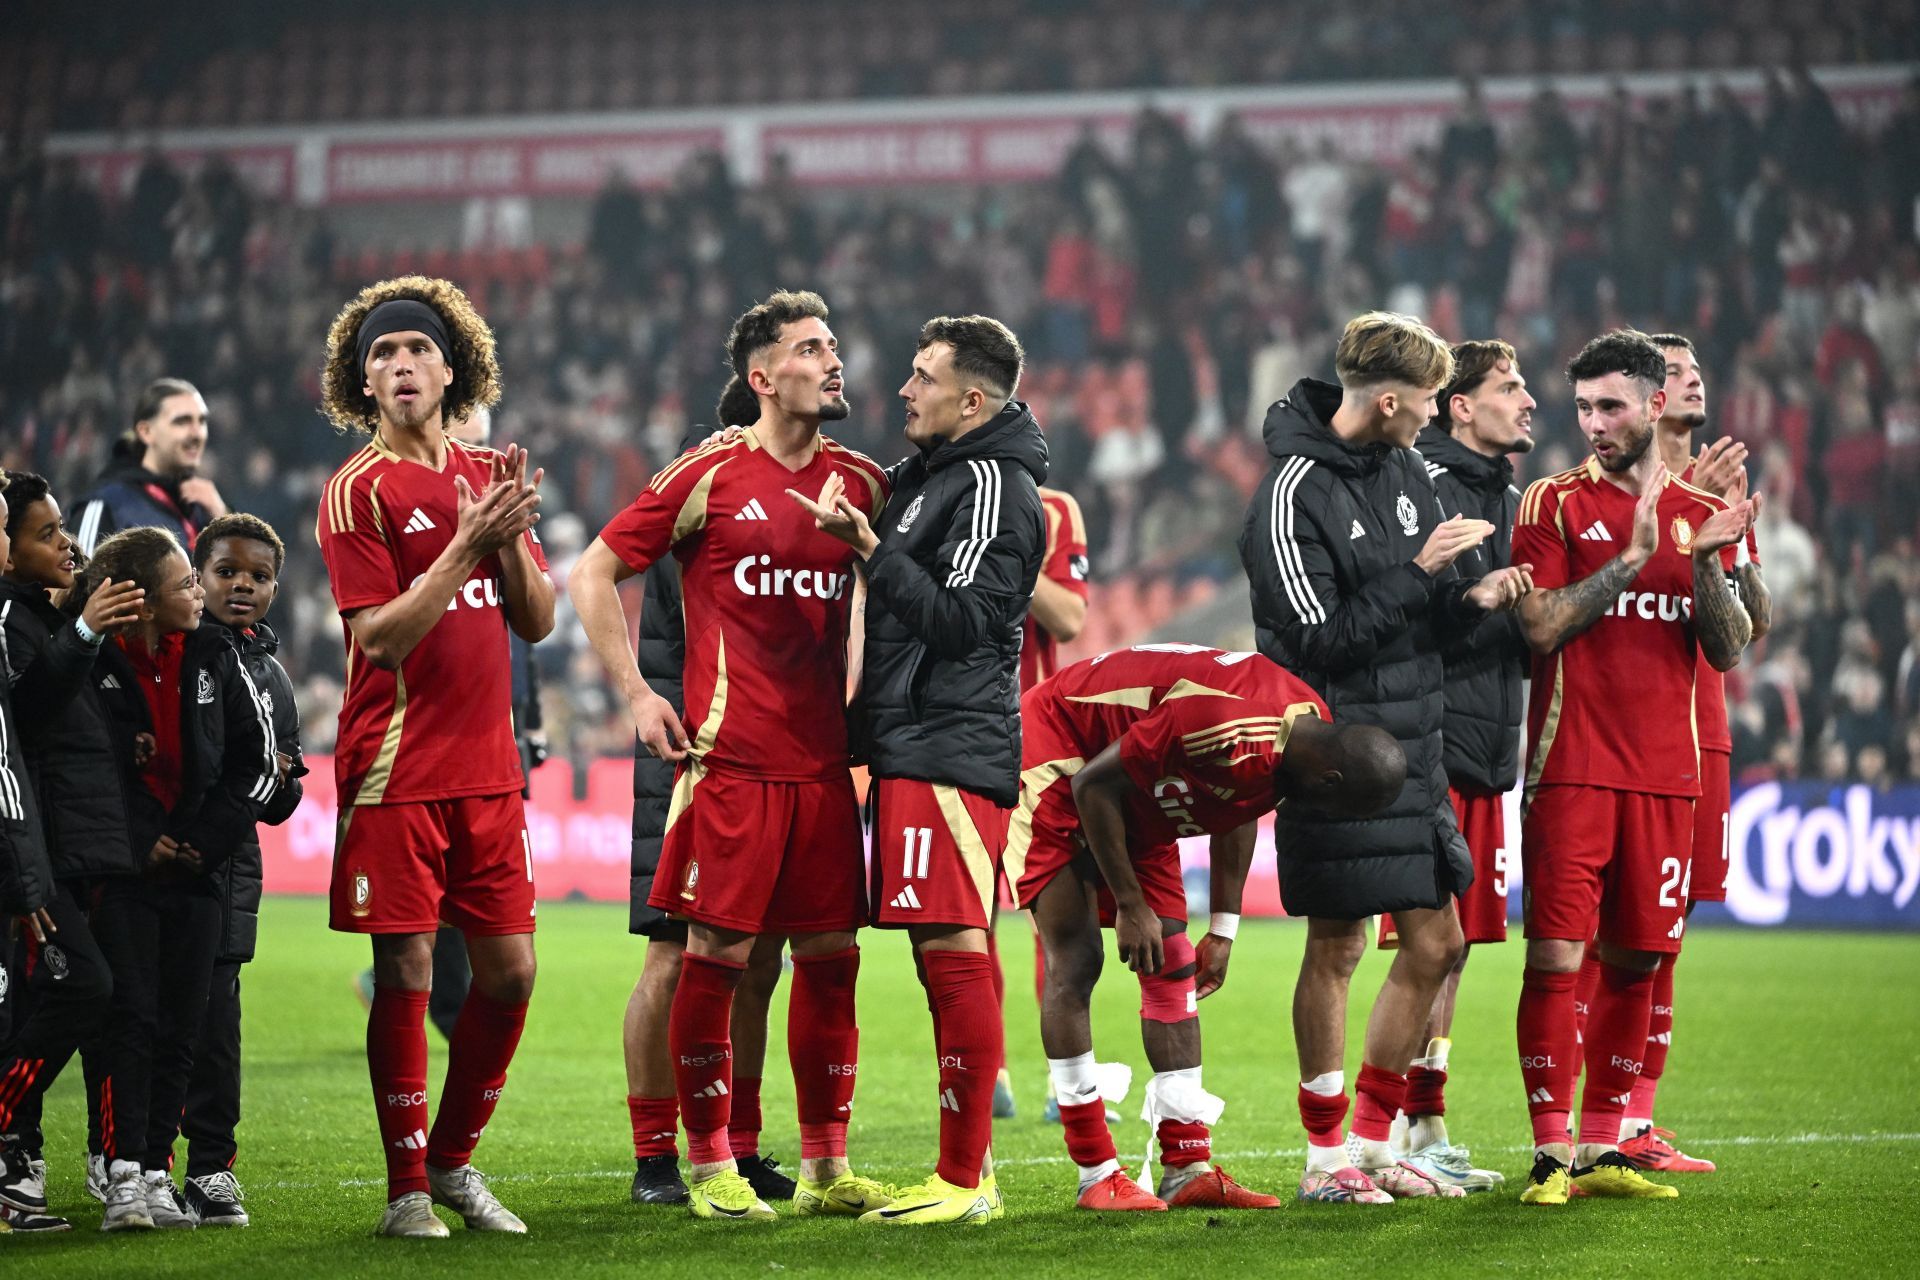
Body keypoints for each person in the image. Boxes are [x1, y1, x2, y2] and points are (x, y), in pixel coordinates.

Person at [571, 290, 891, 1222]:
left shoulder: (864, 485)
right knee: (705, 957)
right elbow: (593, 570)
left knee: (831, 960)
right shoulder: (706, 475)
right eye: (810, 348)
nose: (834, 361)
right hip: (730, 763)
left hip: (826, 768)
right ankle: (704, 1163)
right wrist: (636, 693)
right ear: (762, 376)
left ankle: (827, 1168)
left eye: (835, 344)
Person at [1238, 312, 1531, 1204]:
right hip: (1337, 750)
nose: (1436, 414)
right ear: (1393, 398)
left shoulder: (1408, 471)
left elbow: (1424, 617)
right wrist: (1416, 571)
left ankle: (1373, 1142)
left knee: (1437, 942)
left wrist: (1470, 597)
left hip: (1420, 746)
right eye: (1432, 399)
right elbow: (1314, 642)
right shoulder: (1290, 491)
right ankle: (1326, 1156)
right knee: (1338, 944)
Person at [787, 314, 1045, 1224]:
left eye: (923, 376)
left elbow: (965, 622)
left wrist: (870, 550)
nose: (904, 388)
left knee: (953, 953)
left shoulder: (991, 484)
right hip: (915, 742)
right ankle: (962, 1175)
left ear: (971, 399)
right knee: (943, 955)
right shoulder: (938, 479)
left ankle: (965, 1182)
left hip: (951, 745)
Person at [315, 278, 554, 1239]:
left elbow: (534, 621)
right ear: (362, 383)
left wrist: (504, 542)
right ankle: (406, 1188)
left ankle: (454, 1165)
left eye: (416, 348)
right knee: (408, 970)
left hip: (490, 770)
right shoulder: (354, 491)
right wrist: (464, 545)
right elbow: (378, 641)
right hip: (395, 768)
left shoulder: (490, 468)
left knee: (512, 976)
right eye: (380, 354)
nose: (399, 364)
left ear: (450, 369)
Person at [1013, 643, 1406, 1213]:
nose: (1331, 821)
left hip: (1133, 784)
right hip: (1061, 752)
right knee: (1076, 961)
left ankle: (1185, 1167)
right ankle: (1096, 1172)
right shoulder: (1223, 724)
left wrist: (1223, 926)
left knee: (1173, 967)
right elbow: (1093, 786)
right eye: (1341, 809)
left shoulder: (1304, 728)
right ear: (1330, 778)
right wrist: (1129, 902)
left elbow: (1239, 803)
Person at [1510, 329, 1756, 1206]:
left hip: (1667, 775)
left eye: (1610, 406)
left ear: (1656, 406)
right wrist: (1627, 555)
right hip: (1571, 765)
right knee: (1554, 956)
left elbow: (1726, 652)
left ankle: (1607, 1148)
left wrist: (1706, 564)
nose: (1593, 423)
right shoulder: (1551, 503)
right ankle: (1549, 1153)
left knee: (1639, 962)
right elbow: (1538, 626)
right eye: (1583, 407)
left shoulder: (1700, 508)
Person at [1571, 332, 1774, 1175]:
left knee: (1665, 932)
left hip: (1702, 732)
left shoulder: (1715, 493)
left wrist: (1727, 543)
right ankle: (1589, 1124)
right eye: (1683, 373)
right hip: (1608, 740)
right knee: (1595, 937)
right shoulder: (1597, 493)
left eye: (1700, 371)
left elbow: (1753, 626)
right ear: (1655, 394)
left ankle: (1632, 1120)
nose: (1697, 384)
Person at [624, 377, 796, 1209]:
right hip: (686, 749)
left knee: (759, 957)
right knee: (672, 953)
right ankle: (656, 1152)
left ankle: (741, 1143)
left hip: (758, 756)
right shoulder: (700, 496)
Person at [1375, 340, 1537, 1191]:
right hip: (1431, 746)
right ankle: (1391, 1126)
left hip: (1483, 749)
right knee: (1426, 944)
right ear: (1462, 406)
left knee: (1458, 946)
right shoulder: (1425, 488)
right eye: (1511, 388)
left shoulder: (1507, 496)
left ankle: (1423, 1116)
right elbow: (1409, 613)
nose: (1530, 401)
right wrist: (1475, 597)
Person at [85, 526, 276, 1231]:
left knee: (182, 1026)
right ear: (141, 600)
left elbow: (256, 765)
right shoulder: (96, 662)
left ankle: (159, 1174)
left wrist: (198, 845)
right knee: (127, 1021)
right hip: (123, 874)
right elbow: (80, 769)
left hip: (198, 873)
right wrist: (142, 844)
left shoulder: (213, 656)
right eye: (187, 584)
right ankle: (122, 1173)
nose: (202, 594)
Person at [178, 514, 306, 1227]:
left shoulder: (274, 674)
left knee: (217, 1025)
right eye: (227, 572)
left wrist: (280, 780)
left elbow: (284, 797)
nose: (241, 586)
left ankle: (211, 1169)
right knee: (146, 1018)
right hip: (167, 860)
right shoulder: (180, 653)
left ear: (275, 588)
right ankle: (134, 1161)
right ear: (199, 578)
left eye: (257, 577)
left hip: (229, 871)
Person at [1021, 482, 1090, 1123]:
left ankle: (1062, 1081)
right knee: (965, 917)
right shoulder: (921, 491)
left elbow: (1069, 618)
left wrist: (1002, 553)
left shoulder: (1050, 508)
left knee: (1054, 908)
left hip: (1031, 736)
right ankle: (983, 1077)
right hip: (943, 731)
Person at [74, 378, 227, 556]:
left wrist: (223, 518)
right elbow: (79, 579)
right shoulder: (107, 504)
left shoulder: (202, 506)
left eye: (201, 421)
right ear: (146, 432)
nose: (197, 433)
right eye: (182, 421)